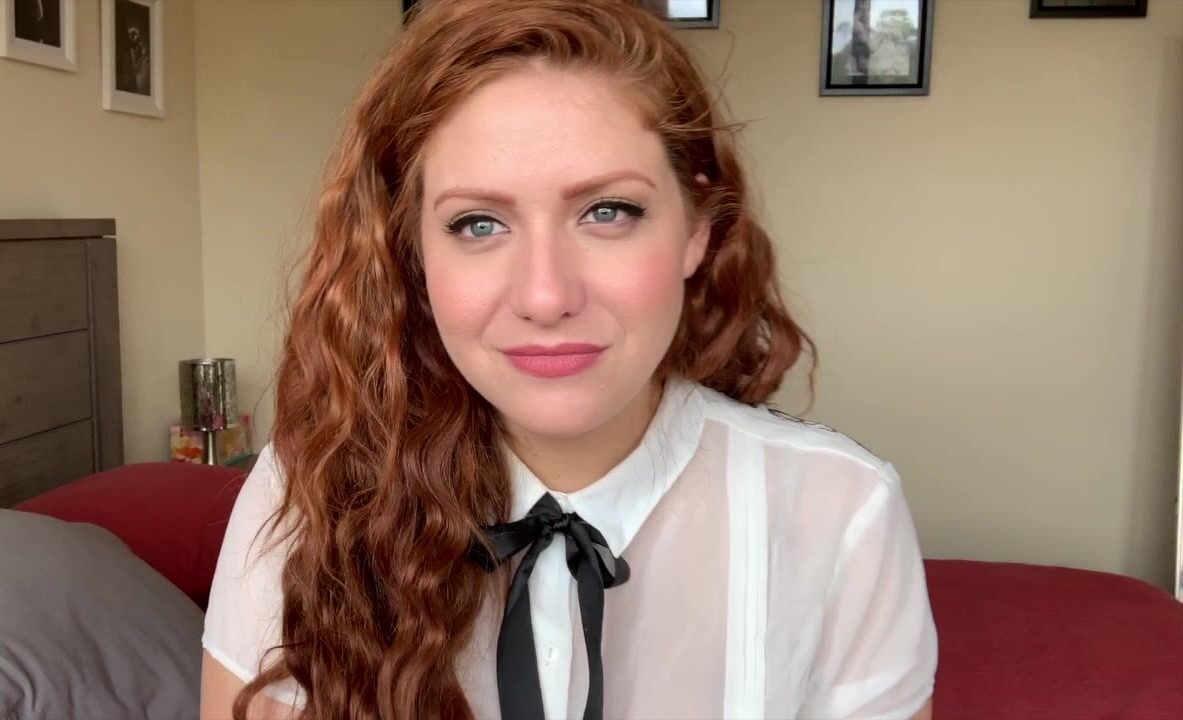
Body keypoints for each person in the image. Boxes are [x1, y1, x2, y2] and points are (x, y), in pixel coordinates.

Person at [199, 0, 938, 718]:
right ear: (413, 252)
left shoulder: (842, 512)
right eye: (478, 224)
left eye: (607, 212)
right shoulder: (309, 493)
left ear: (696, 229)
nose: (546, 296)